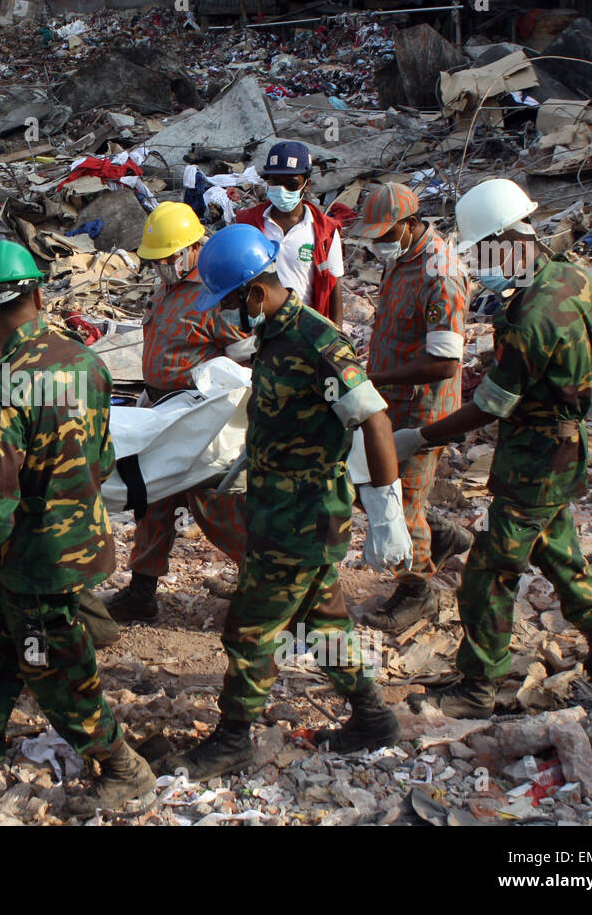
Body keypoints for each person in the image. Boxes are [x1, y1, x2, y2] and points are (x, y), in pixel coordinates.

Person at [0, 239, 156, 823]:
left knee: (57, 674)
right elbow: (104, 458)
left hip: (41, 563)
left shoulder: (2, 385)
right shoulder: (86, 362)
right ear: (38, 294)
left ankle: (122, 766)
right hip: (63, 546)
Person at [166, 224, 415, 780]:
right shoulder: (276, 338)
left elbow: (374, 418)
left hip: (302, 516)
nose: (228, 315)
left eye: (232, 303)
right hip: (279, 506)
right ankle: (373, 717)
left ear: (256, 292)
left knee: (250, 631)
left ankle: (233, 739)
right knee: (322, 622)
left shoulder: (317, 342)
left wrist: (386, 511)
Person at [394, 179, 592, 718]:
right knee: (558, 553)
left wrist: (420, 435)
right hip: (561, 454)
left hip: (536, 461)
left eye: (484, 251)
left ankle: (478, 687)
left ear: (509, 239)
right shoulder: (575, 278)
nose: (482, 265)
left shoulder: (531, 316)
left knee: (487, 573)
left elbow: (492, 404)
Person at [103, 201, 256, 623]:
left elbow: (245, 361)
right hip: (161, 414)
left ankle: (267, 585)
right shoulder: (166, 290)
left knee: (216, 508)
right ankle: (141, 592)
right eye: (155, 262)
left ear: (192, 250)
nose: (161, 267)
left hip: (199, 421)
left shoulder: (213, 296)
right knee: (151, 503)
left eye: (167, 259)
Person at [348, 183, 475, 632]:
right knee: (372, 486)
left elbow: (443, 363)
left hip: (424, 412)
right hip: (389, 401)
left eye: (386, 234)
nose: (379, 244)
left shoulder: (440, 273)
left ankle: (417, 592)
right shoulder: (404, 260)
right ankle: (440, 534)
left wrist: (375, 378)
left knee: (398, 502)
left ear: (411, 223)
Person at [235, 141, 345, 327]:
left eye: (291, 184)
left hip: (304, 328)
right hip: (260, 327)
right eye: (275, 183)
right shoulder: (248, 223)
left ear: (306, 184)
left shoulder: (325, 231)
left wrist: (336, 335)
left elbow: (333, 286)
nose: (282, 190)